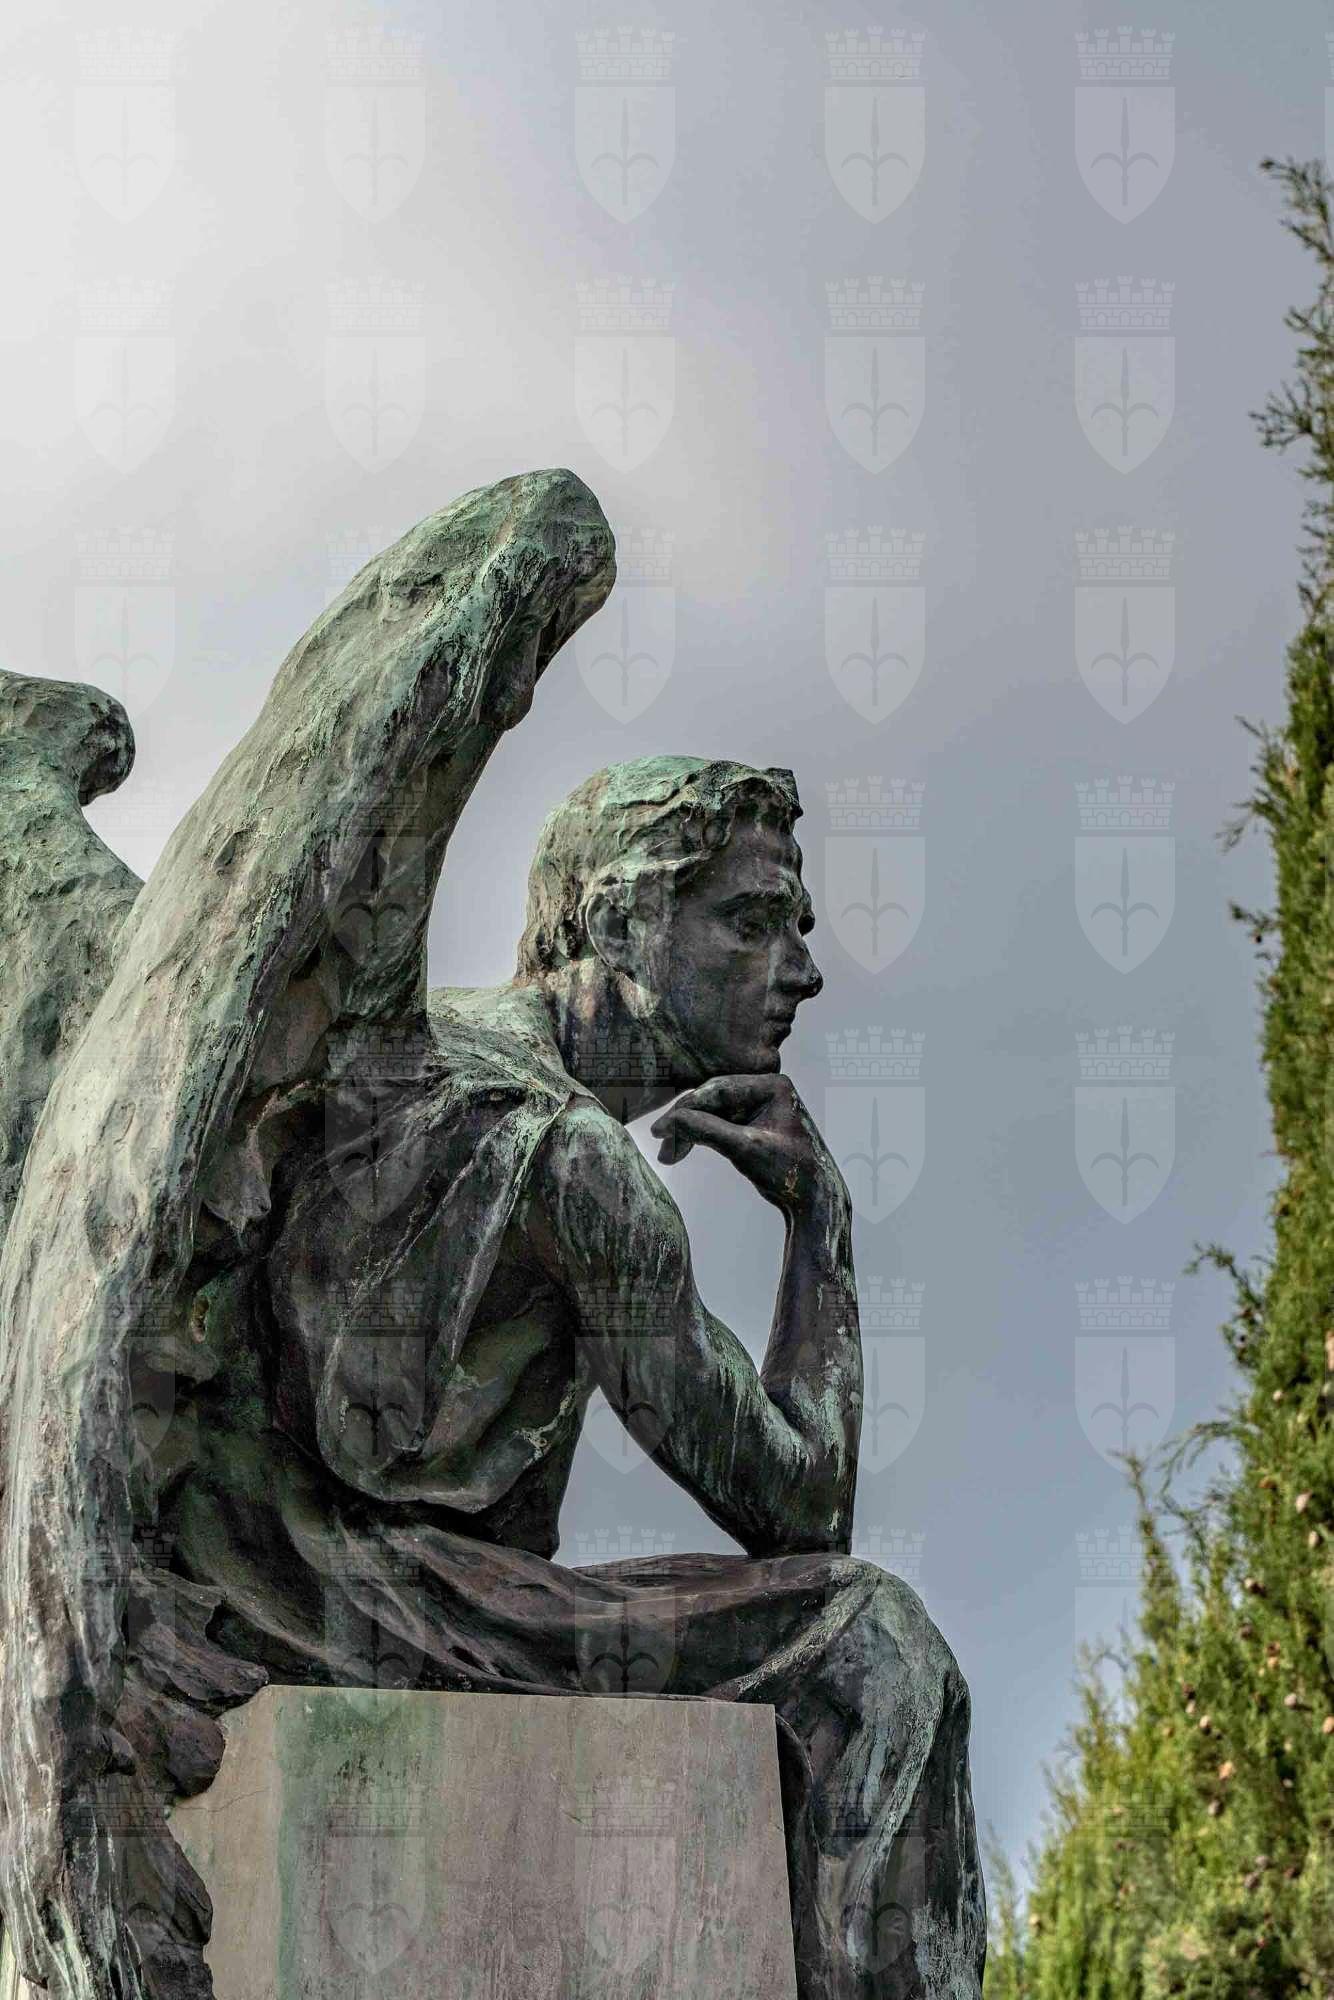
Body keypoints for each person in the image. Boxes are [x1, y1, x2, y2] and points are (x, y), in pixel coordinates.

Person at [148, 754, 985, 1999]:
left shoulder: (403, 1050)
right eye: (751, 921)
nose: (800, 971)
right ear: (616, 921)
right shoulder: (576, 1161)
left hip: (245, 1571)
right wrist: (820, 1229)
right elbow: (800, 1514)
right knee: (874, 1649)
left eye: (797, 927)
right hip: (362, 1595)